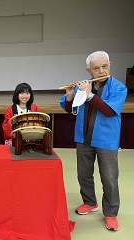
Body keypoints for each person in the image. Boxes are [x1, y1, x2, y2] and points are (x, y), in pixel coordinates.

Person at [59, 51, 127, 231]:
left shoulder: (119, 87)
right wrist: (69, 96)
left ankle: (111, 213)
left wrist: (90, 96)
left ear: (110, 64)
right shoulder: (83, 85)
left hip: (106, 139)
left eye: (105, 66)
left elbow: (109, 111)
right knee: (83, 174)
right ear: (89, 70)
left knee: (110, 178)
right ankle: (90, 202)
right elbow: (68, 109)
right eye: (96, 68)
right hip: (83, 137)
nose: (102, 71)